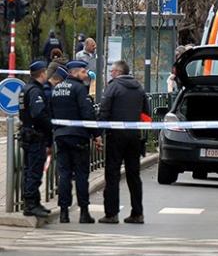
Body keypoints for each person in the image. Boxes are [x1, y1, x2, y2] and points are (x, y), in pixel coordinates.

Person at [98, 60, 150, 225]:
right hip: (134, 137)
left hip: (116, 136)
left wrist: (98, 133)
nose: (110, 74)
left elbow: (104, 111)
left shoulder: (113, 87)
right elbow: (146, 114)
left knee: (112, 174)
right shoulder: (139, 88)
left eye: (112, 71)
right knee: (134, 175)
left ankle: (111, 214)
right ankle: (137, 213)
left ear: (119, 72)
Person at [50, 60, 102, 223]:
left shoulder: (56, 89)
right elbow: (88, 113)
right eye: (83, 72)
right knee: (81, 174)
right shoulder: (79, 89)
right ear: (74, 73)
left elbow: (50, 111)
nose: (86, 75)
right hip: (78, 137)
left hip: (60, 136)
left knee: (64, 175)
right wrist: (97, 135)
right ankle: (84, 212)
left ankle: (64, 213)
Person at [18, 60, 54, 218]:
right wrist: (50, 127)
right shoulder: (35, 91)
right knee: (34, 171)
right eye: (45, 72)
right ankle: (31, 204)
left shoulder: (26, 89)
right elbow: (39, 114)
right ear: (42, 73)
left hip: (28, 135)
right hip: (35, 137)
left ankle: (34, 201)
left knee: (30, 170)